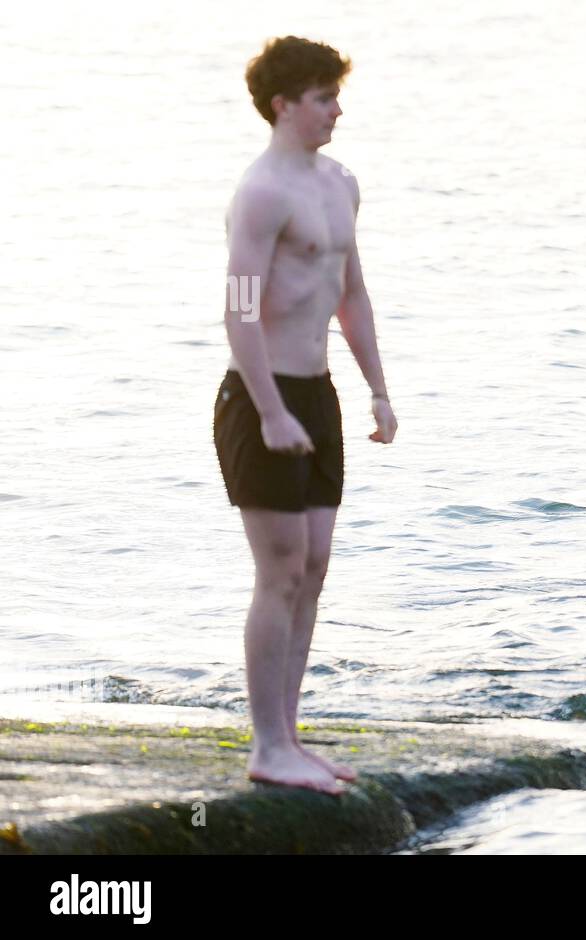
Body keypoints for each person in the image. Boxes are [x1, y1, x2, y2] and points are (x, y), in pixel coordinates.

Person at [213, 36, 398, 793]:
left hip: (317, 397)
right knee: (279, 572)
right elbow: (238, 309)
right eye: (323, 97)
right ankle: (266, 746)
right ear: (284, 104)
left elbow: (351, 296)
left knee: (314, 570)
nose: (337, 109)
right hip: (264, 398)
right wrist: (268, 412)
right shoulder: (260, 193)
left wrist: (379, 391)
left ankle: (289, 738)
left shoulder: (341, 182)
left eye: (336, 94)